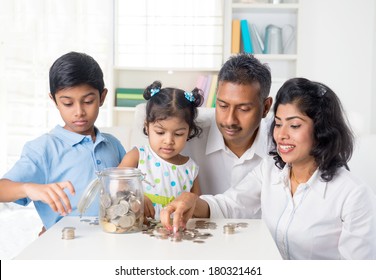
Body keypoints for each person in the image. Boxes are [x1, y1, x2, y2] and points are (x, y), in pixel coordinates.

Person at [161, 77, 376, 259]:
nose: (281, 135)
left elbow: (357, 271)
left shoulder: (353, 195)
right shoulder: (270, 170)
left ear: (321, 130)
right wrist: (191, 201)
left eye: (294, 125)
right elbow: (230, 205)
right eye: (279, 123)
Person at [0, 52, 126, 233]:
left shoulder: (113, 144)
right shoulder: (43, 149)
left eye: (88, 101)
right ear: (54, 100)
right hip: (65, 245)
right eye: (68, 103)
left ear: (102, 97)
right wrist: (28, 188)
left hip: (113, 241)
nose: (79, 112)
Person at [182, 53, 273, 195]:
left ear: (266, 108)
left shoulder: (281, 143)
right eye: (223, 106)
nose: (230, 120)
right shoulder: (185, 135)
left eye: (243, 109)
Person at [118, 80, 204, 220]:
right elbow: (115, 184)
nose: (168, 141)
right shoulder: (137, 156)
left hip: (176, 234)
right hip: (139, 230)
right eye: (160, 132)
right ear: (147, 126)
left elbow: (196, 205)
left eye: (178, 134)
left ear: (189, 132)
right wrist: (135, 197)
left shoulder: (191, 168)